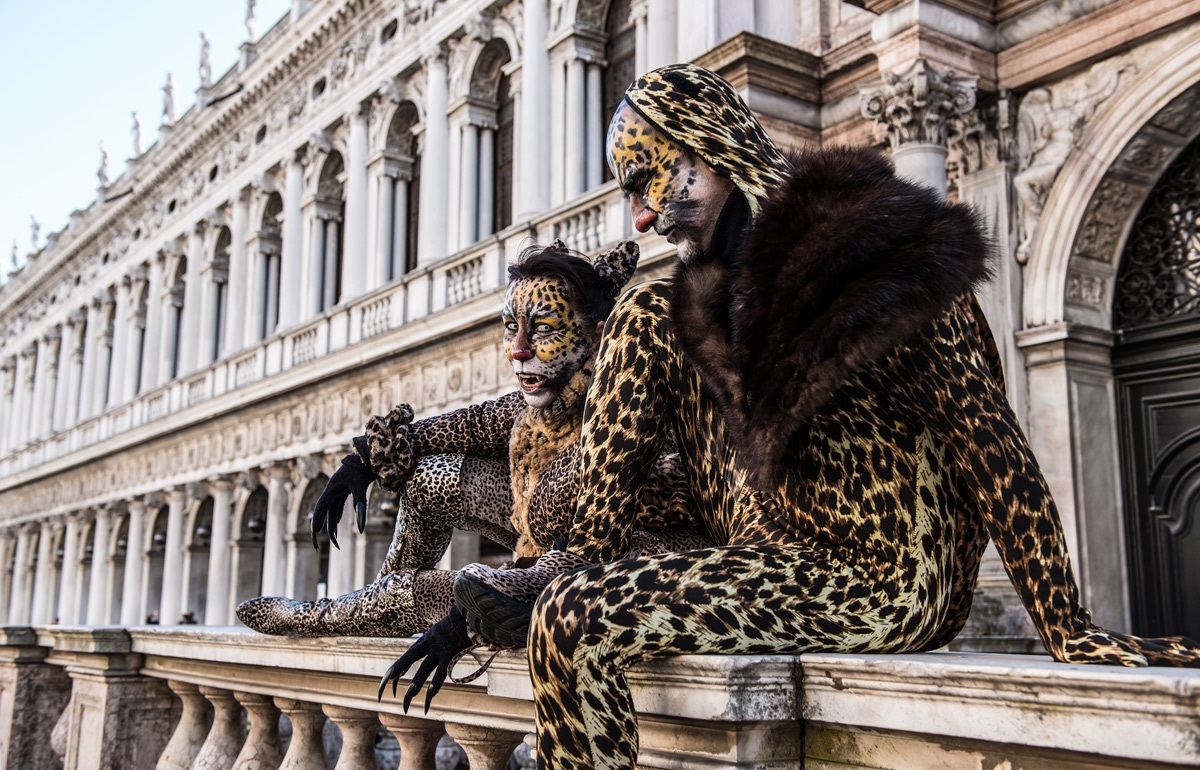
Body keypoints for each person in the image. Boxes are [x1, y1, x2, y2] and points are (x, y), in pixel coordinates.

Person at [434, 64, 1200, 768]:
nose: (639, 218)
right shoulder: (700, 295)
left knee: (574, 618)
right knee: (640, 314)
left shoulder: (868, 253)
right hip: (767, 542)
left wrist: (1067, 626)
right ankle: (580, 554)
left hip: (882, 574)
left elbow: (989, 441)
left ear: (710, 147)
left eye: (647, 182)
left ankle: (572, 586)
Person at [237, 241, 707, 705]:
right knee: (429, 478)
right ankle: (382, 599)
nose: (518, 350)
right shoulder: (533, 412)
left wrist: (471, 619)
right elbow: (461, 427)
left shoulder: (638, 419)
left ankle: (334, 614)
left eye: (543, 329)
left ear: (596, 336)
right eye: (511, 328)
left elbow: (642, 547)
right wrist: (362, 461)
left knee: (440, 588)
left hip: (593, 586)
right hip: (532, 562)